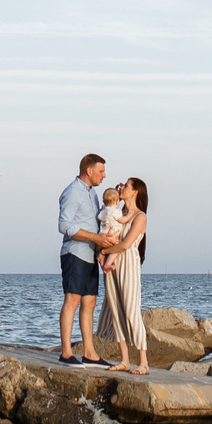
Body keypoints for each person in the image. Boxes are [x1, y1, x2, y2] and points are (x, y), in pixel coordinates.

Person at [56, 154, 111, 365]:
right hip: (74, 252)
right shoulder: (72, 192)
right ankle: (66, 352)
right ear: (89, 170)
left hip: (89, 254)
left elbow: (96, 222)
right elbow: (64, 226)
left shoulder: (93, 194)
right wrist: (95, 238)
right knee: (73, 299)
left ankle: (90, 352)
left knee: (90, 301)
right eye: (101, 171)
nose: (104, 175)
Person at [97, 177, 151, 375]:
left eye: (126, 185)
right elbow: (107, 234)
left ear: (135, 192)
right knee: (115, 308)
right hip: (112, 264)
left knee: (130, 309)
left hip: (128, 263)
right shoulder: (118, 213)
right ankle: (125, 359)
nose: (122, 186)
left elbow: (127, 244)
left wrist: (103, 253)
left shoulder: (140, 217)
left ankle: (143, 361)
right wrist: (101, 251)